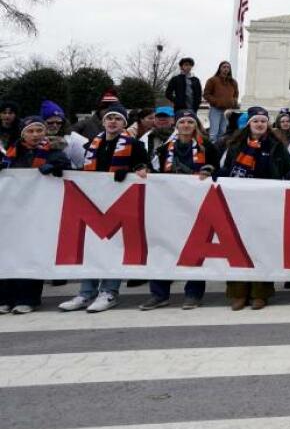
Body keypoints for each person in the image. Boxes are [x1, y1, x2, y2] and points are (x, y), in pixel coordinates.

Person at [58, 103, 150, 313]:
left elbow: (144, 168)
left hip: (119, 204)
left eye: (118, 119)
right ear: (103, 121)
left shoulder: (134, 145)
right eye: (109, 118)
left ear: (124, 123)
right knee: (90, 247)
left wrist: (130, 170)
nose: (113, 122)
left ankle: (109, 292)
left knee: (114, 247)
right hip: (93, 202)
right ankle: (86, 292)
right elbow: (83, 170)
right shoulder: (93, 143)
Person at [217, 106, 290, 310]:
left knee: (261, 248)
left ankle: (260, 293)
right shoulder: (235, 145)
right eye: (256, 121)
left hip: (265, 203)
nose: (260, 124)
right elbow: (225, 168)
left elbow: (288, 167)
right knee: (238, 247)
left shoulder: (276, 145)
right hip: (239, 203)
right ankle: (238, 293)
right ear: (249, 124)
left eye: (263, 121)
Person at [141, 110, 220, 310]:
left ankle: (193, 293)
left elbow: (219, 169)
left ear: (195, 126)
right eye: (182, 122)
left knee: (195, 248)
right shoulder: (165, 147)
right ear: (177, 125)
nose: (186, 125)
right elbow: (154, 169)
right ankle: (159, 294)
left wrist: (210, 170)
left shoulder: (207, 146)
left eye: (190, 122)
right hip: (168, 204)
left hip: (197, 204)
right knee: (162, 248)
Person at [0, 116, 72, 314]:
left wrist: (57, 166)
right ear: (23, 133)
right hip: (12, 212)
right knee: (7, 254)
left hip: (38, 212)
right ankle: (5, 297)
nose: (35, 135)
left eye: (39, 130)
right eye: (30, 131)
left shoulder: (54, 151)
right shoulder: (11, 153)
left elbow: (66, 168)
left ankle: (28, 298)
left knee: (31, 254)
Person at [41, 100, 87, 168]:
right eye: (50, 122)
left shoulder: (74, 139)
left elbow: (85, 164)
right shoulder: (36, 138)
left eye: (59, 122)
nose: (55, 125)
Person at [202, 60, 239, 141]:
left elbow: (236, 94)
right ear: (220, 68)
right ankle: (212, 151)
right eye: (224, 67)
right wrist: (216, 102)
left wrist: (234, 101)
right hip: (215, 109)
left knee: (223, 132)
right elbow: (206, 94)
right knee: (213, 133)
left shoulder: (233, 82)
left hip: (227, 111)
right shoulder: (212, 80)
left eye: (228, 67)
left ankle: (219, 150)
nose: (226, 69)